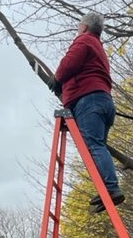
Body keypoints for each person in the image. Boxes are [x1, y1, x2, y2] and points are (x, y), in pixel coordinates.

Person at [49, 12, 124, 214]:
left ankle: (110, 187)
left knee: (94, 146)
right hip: (103, 101)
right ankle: (107, 187)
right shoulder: (98, 47)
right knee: (96, 147)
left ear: (84, 27)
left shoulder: (84, 41)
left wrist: (57, 79)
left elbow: (68, 64)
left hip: (88, 100)